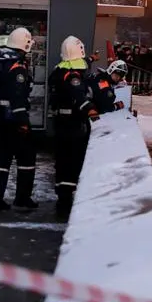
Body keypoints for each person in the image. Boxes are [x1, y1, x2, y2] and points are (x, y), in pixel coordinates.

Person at [0, 28, 37, 211]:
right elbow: (17, 96)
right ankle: (22, 197)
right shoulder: (17, 66)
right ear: (26, 44)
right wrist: (22, 121)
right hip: (12, 119)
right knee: (27, 158)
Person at [49, 36, 99, 215]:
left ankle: (62, 195)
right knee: (72, 161)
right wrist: (91, 110)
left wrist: (91, 59)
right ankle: (65, 202)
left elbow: (78, 63)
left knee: (62, 160)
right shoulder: (73, 76)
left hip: (60, 123)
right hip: (73, 125)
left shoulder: (58, 71)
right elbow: (79, 95)